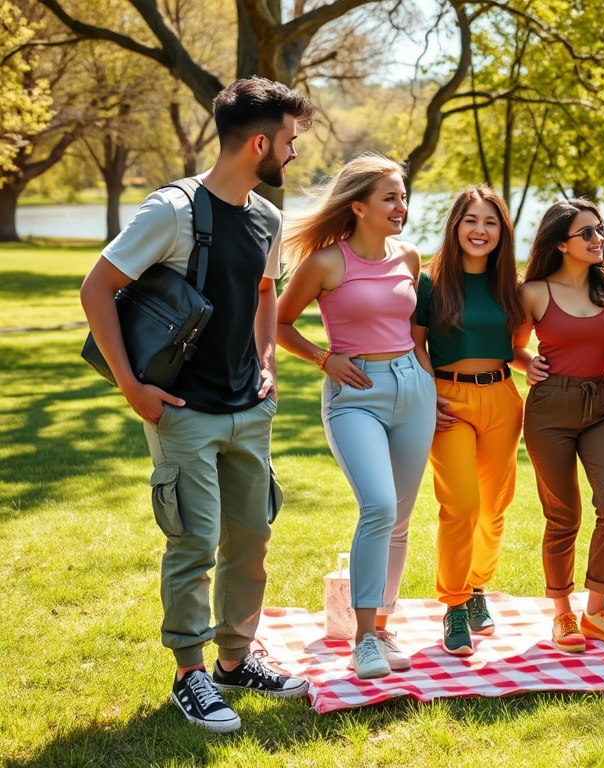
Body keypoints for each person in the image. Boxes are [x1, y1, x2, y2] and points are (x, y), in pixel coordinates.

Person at [80, 77, 314, 733]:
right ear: (260, 142)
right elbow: (97, 288)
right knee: (193, 542)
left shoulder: (267, 217)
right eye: (290, 142)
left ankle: (235, 662)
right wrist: (131, 386)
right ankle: (190, 674)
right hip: (182, 408)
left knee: (252, 539)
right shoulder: (173, 210)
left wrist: (267, 359)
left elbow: (267, 292)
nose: (294, 154)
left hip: (249, 410)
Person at [276, 153, 435, 680]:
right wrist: (324, 357)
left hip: (413, 389)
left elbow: (415, 331)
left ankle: (383, 624)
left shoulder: (408, 256)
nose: (401, 206)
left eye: (403, 196)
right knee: (379, 506)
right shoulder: (326, 263)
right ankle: (363, 638)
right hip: (355, 394)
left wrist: (430, 381)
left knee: (402, 517)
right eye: (390, 197)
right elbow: (278, 324)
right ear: (359, 205)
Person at [513, 198, 604, 653]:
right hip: (549, 411)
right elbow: (513, 346)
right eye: (586, 233)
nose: (597, 239)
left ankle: (597, 609)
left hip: (602, 407)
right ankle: (563, 613)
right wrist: (527, 365)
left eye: (599, 230)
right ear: (561, 243)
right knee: (563, 515)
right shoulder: (534, 292)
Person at [411, 186, 525, 656]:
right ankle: (454, 604)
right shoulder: (429, 282)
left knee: (494, 508)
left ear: (502, 232)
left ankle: (478, 586)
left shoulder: (510, 287)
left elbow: (513, 347)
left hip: (502, 398)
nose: (481, 230)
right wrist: (425, 392)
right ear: (455, 225)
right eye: (471, 221)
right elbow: (416, 344)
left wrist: (529, 362)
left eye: (491, 222)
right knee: (460, 505)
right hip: (448, 402)